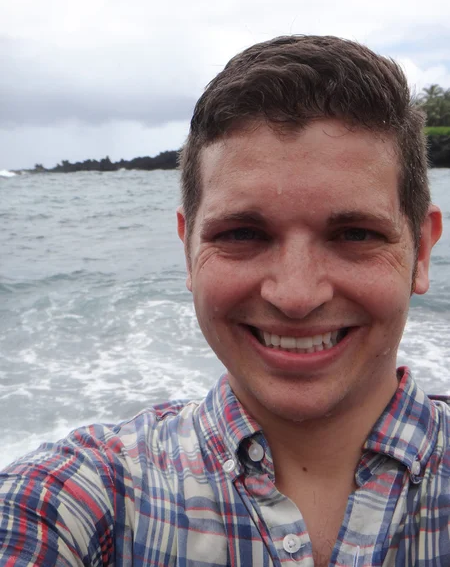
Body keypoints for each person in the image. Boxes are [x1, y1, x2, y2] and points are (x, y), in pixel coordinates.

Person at [0, 35, 447, 567]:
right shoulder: (81, 495)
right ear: (189, 251)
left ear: (420, 251)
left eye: (354, 234)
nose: (297, 296)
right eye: (240, 234)